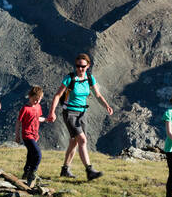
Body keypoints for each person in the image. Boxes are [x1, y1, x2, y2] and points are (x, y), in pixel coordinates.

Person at [48, 53, 112, 181]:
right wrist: (52, 112)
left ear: (88, 66)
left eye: (82, 66)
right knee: (82, 140)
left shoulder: (89, 78)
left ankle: (65, 169)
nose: (80, 69)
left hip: (82, 114)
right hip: (70, 113)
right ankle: (89, 171)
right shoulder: (69, 78)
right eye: (77, 66)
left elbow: (97, 95)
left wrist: (106, 106)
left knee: (74, 142)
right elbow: (57, 95)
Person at [16, 86, 44, 186]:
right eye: (34, 100)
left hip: (34, 135)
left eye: (38, 100)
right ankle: (32, 172)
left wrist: (46, 119)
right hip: (27, 135)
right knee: (38, 155)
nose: (36, 102)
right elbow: (19, 122)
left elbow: (37, 118)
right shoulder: (25, 109)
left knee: (31, 154)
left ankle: (26, 172)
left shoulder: (38, 107)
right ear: (30, 97)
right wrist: (17, 135)